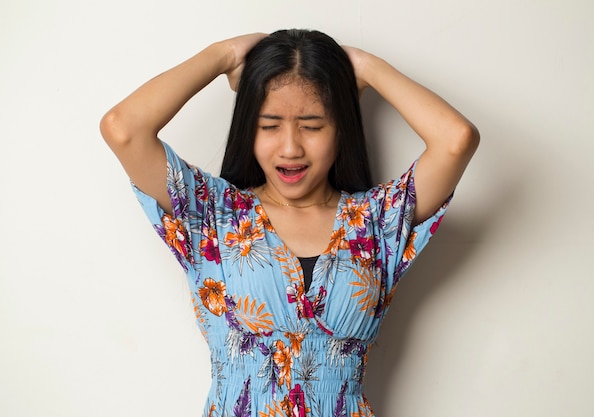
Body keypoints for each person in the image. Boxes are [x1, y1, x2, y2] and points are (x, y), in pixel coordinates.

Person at [101, 29, 478, 417]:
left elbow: (456, 140)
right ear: (249, 130)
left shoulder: (376, 223)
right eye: (269, 125)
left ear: (341, 130)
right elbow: (123, 129)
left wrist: (365, 68)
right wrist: (222, 56)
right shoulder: (213, 214)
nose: (290, 147)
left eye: (312, 126)